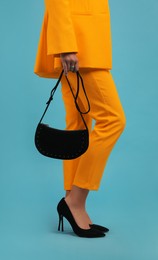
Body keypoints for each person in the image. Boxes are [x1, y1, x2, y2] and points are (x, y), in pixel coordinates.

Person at [34, 0, 126, 238]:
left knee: (79, 125)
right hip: (79, 44)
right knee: (112, 119)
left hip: (87, 39)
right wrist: (66, 45)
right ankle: (75, 199)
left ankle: (74, 205)